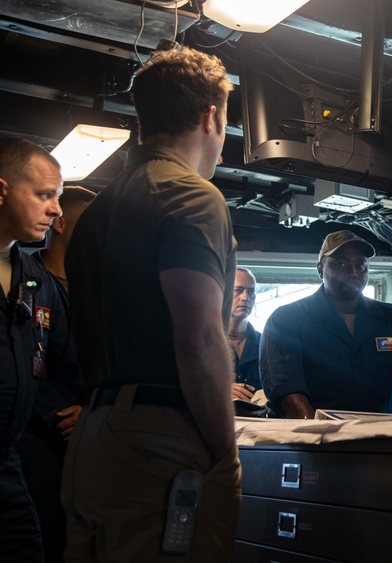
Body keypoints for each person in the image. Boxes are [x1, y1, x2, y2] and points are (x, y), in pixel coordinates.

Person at [63, 46, 241, 561]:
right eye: (225, 122)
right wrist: (224, 451)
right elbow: (199, 336)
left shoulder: (98, 212)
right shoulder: (192, 196)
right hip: (158, 438)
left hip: (93, 437)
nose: (223, 144)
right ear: (209, 116)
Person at [261, 230, 392, 418]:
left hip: (377, 441)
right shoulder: (287, 321)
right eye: (340, 264)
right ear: (320, 270)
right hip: (312, 441)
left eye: (360, 265)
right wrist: (317, 434)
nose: (352, 272)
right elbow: (286, 390)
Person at [18, 185, 94, 563]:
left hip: (88, 430)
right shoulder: (25, 276)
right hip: (37, 432)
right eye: (89, 221)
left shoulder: (98, 288)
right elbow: (21, 362)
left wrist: (92, 410)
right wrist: (63, 417)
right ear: (61, 223)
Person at [0, 136, 67, 562]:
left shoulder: (35, 279)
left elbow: (63, 357)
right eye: (44, 195)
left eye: (57, 197)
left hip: (9, 460)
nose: (56, 209)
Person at [229, 267, 262, 402]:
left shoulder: (266, 344)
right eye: (238, 290)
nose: (245, 297)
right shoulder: (202, 342)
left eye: (251, 291)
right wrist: (220, 390)